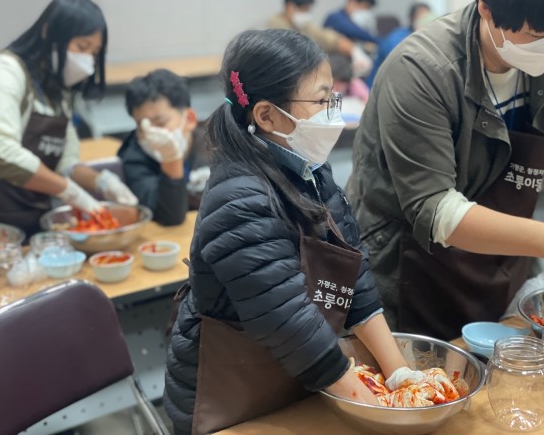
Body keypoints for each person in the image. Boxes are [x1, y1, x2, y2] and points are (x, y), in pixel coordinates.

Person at [163, 29, 412, 435]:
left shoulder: (309, 171)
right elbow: (286, 319)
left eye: (334, 95)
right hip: (231, 399)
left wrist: (399, 372)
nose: (334, 109)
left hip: (299, 373)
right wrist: (372, 406)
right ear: (266, 116)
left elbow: (353, 273)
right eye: (321, 99)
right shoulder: (238, 198)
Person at [346, 0, 544, 341]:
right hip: (415, 265)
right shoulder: (421, 70)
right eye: (538, 36)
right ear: (486, 8)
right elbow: (435, 208)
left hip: (501, 260)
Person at [0, 0, 136, 237]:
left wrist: (103, 182)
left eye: (93, 52)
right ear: (48, 33)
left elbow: (65, 163)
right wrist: (70, 192)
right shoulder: (3, 73)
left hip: (33, 220)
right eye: (81, 47)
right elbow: (1, 153)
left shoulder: (58, 93)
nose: (88, 60)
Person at [118, 69, 209, 226]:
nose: (151, 133)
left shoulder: (215, 144)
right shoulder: (134, 158)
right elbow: (171, 216)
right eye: (142, 126)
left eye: (160, 123)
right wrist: (170, 158)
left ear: (189, 119)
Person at [268, 0, 372, 77]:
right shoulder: (276, 26)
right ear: (290, 7)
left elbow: (328, 38)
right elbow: (294, 55)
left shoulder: (305, 26)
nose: (307, 13)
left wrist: (355, 52)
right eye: (305, 9)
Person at [366, 2, 433, 88]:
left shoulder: (424, 38)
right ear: (412, 18)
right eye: (422, 16)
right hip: (378, 89)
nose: (426, 20)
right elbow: (403, 62)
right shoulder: (397, 38)